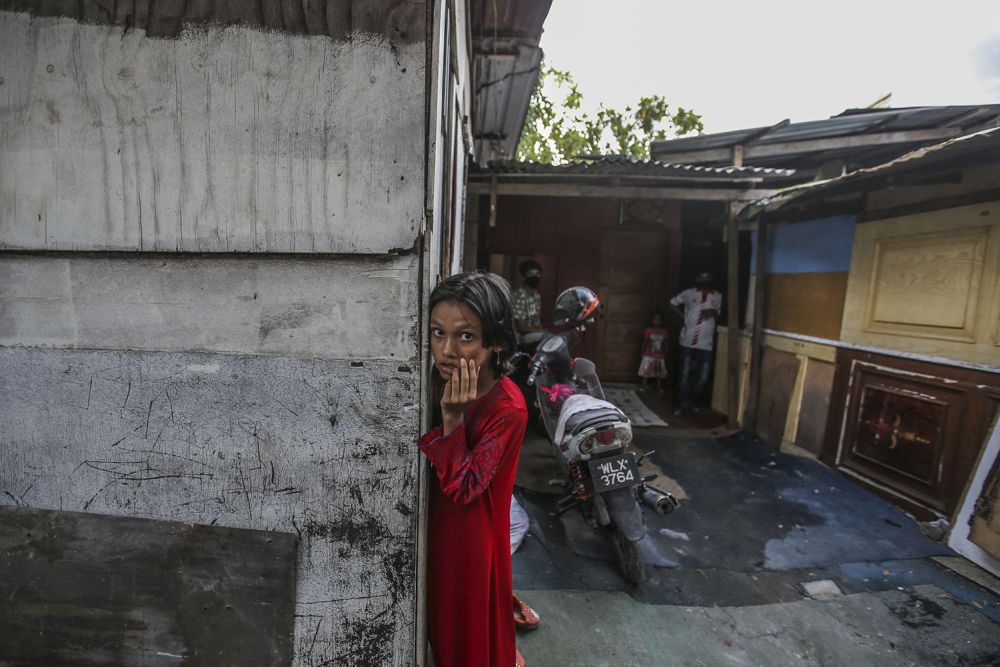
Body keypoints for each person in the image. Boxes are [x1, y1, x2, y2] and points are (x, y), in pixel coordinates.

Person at [418, 271, 529, 667]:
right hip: (432, 526)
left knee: (465, 639)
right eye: (437, 332)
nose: (446, 350)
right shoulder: (431, 378)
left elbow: (466, 488)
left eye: (465, 336)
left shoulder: (508, 408)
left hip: (471, 540)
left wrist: (452, 417)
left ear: (494, 342)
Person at [669, 272, 722, 413]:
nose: (704, 281)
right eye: (702, 278)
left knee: (703, 377)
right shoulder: (688, 293)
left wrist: (712, 312)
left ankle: (691, 400)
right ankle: (683, 403)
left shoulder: (717, 296)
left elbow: (718, 313)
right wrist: (683, 317)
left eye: (707, 278)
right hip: (688, 338)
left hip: (706, 343)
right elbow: (673, 303)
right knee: (684, 374)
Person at [511, 259, 545, 351]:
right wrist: (543, 332)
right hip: (519, 339)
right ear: (524, 277)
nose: (535, 277)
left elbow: (536, 321)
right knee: (548, 337)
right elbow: (521, 327)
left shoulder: (536, 296)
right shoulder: (519, 295)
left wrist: (541, 330)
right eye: (531, 274)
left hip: (533, 335)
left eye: (537, 274)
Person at [638, 311, 669, 394]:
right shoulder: (649, 330)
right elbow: (645, 341)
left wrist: (666, 352)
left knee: (659, 371)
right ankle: (644, 385)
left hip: (659, 355)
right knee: (646, 370)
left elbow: (665, 343)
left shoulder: (664, 331)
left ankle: (659, 387)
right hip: (648, 354)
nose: (657, 321)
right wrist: (642, 351)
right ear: (652, 320)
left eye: (659, 320)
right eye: (655, 319)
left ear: (662, 321)